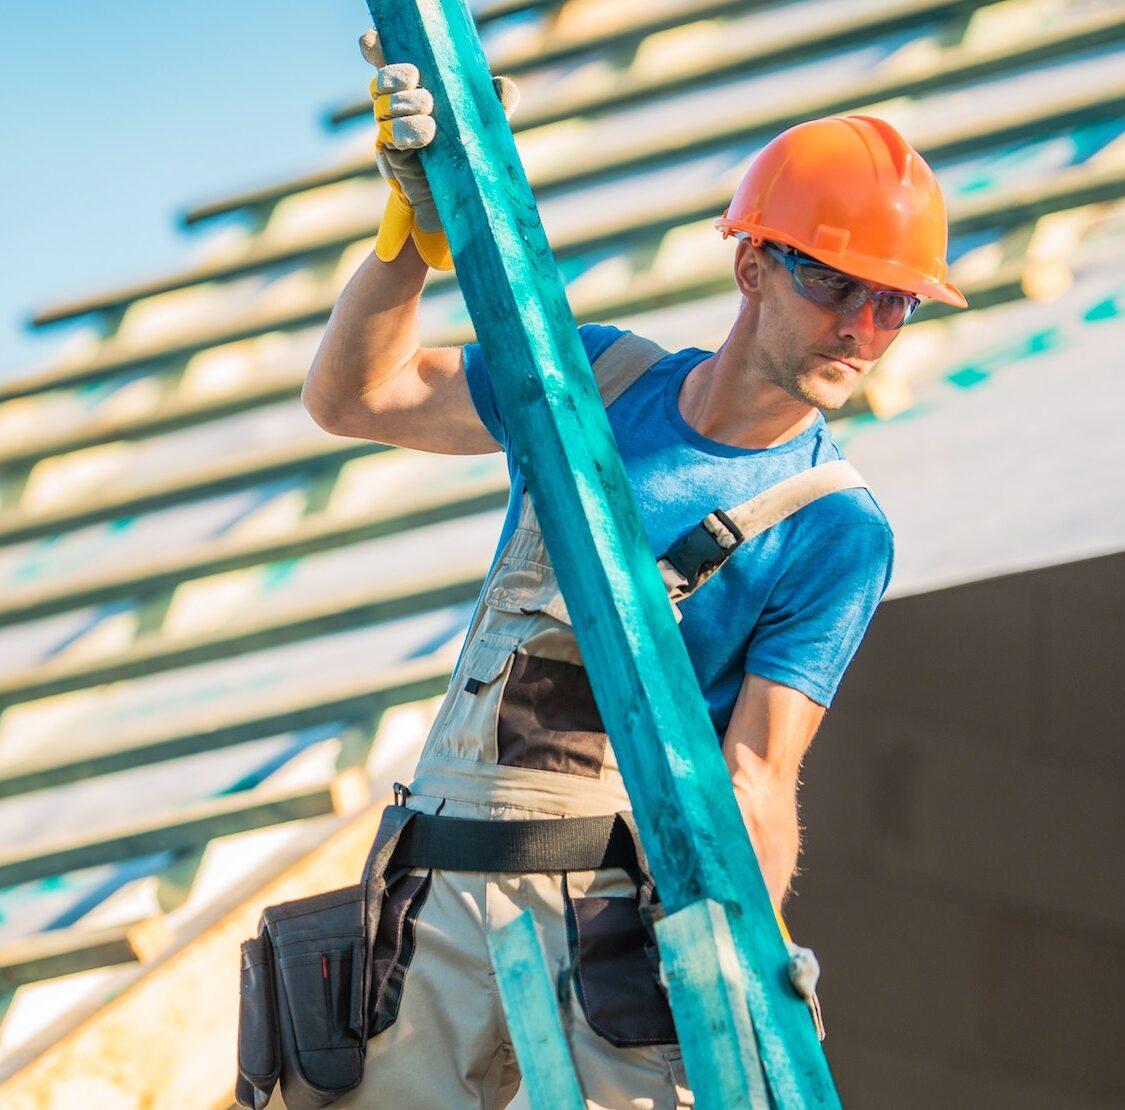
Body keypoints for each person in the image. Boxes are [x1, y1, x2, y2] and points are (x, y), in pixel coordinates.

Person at [291, 28, 968, 1110]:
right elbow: (353, 400)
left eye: (897, 303)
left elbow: (756, 775)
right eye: (841, 287)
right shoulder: (598, 381)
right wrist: (408, 243)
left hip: (612, 932)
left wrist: (753, 954)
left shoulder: (835, 530)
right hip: (438, 896)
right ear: (755, 265)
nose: (866, 328)